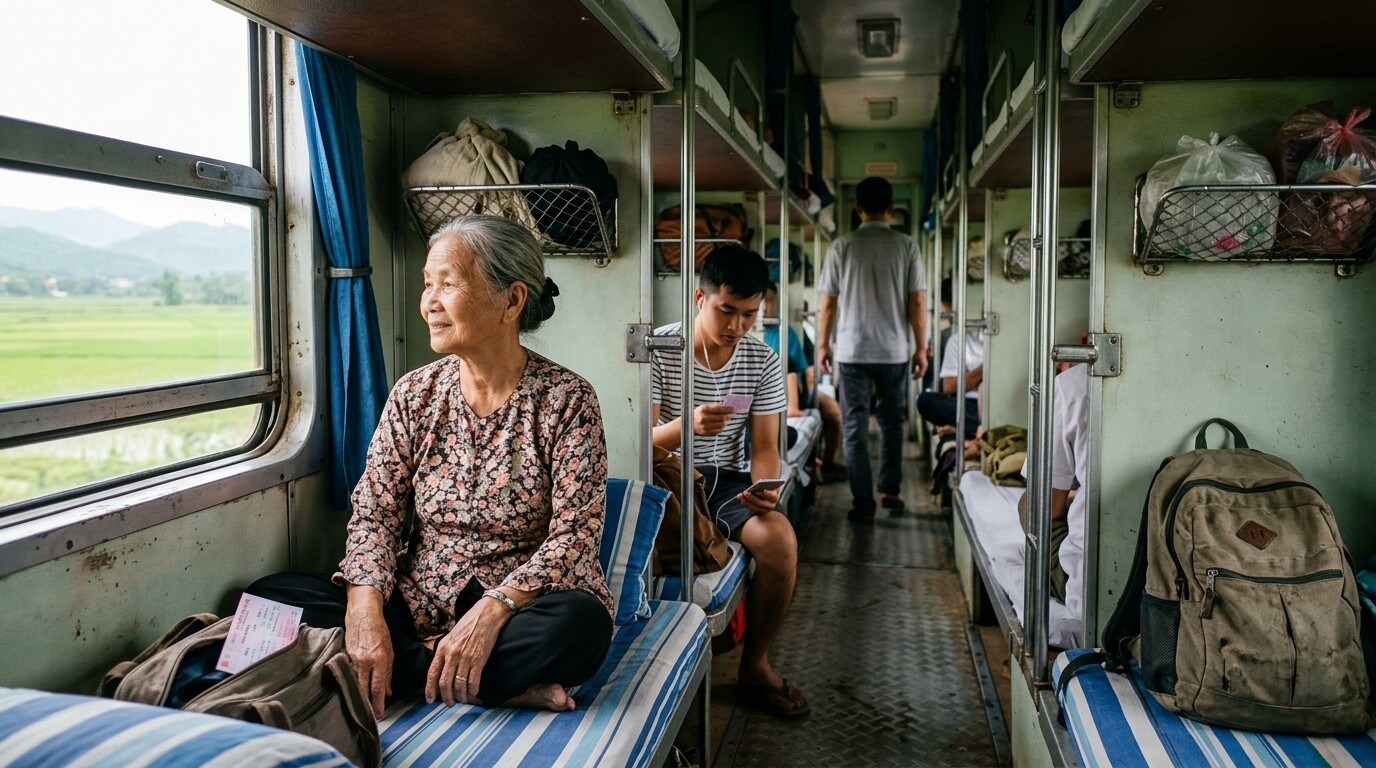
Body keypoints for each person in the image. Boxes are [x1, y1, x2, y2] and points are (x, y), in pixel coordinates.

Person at [245, 215, 613, 719]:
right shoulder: (415, 394)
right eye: (426, 284)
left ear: (512, 300)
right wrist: (365, 613)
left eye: (448, 284)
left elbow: (574, 537)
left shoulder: (567, 399)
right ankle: (489, 685)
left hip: (515, 611)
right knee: (268, 600)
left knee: (582, 625)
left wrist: (491, 611)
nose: (429, 303)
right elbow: (376, 516)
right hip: (417, 600)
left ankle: (412, 671)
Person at [650, 247, 809, 718]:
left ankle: (754, 665)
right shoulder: (662, 349)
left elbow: (764, 447)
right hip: (668, 476)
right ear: (699, 297)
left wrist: (765, 489)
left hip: (723, 484)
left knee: (778, 539)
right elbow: (641, 439)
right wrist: (687, 426)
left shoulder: (761, 361)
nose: (737, 327)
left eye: (749, 314)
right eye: (726, 311)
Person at [817, 176, 928, 521]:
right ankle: (890, 490)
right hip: (894, 350)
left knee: (854, 425)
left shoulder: (841, 247)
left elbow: (828, 305)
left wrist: (823, 344)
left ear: (857, 209)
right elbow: (917, 302)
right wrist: (920, 349)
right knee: (893, 423)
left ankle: (863, 501)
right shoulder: (906, 245)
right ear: (891, 208)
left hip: (852, 351)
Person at [1017, 362, 1090, 640]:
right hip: (1179, 582)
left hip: (1091, 587)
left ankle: (1045, 566)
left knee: (1029, 504)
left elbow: (1048, 508)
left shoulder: (1074, 384)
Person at [762, 282, 844, 481]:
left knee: (834, 413)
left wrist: (810, 388)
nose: (765, 307)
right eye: (761, 301)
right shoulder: (744, 335)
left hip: (794, 391)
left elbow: (804, 367)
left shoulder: (786, 333)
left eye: (769, 301)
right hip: (768, 395)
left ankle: (827, 463)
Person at [917, 278, 984, 441]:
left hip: (999, 404)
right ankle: (977, 428)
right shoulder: (958, 340)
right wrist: (986, 369)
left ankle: (966, 429)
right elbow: (949, 387)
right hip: (969, 405)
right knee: (926, 401)